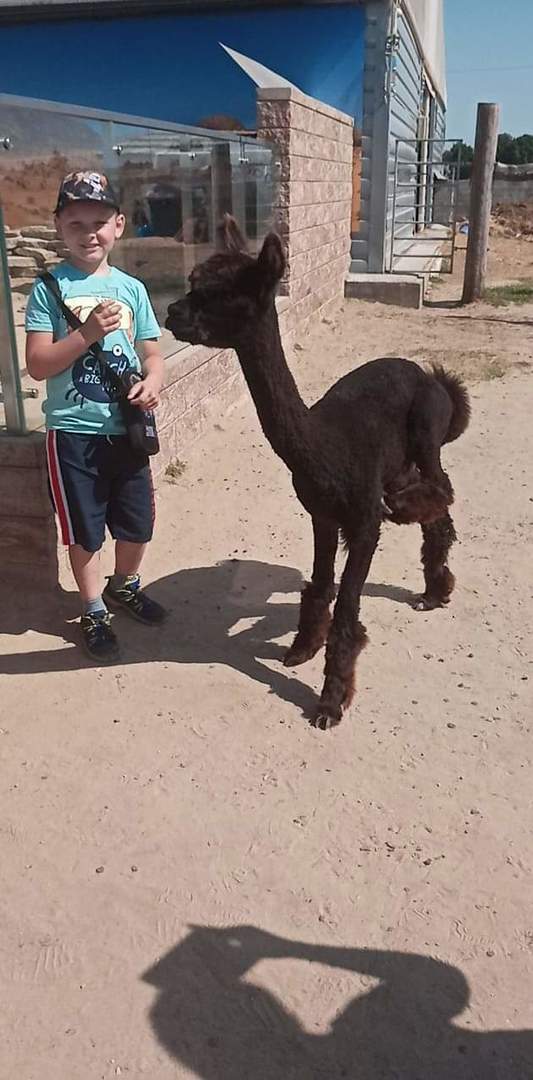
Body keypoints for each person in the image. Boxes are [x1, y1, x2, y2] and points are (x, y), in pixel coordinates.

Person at [25, 170, 166, 662]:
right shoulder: (48, 288)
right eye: (76, 223)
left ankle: (123, 586)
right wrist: (85, 333)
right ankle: (92, 609)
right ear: (59, 227)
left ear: (119, 225)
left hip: (127, 429)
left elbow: (152, 353)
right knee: (84, 530)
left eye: (99, 222)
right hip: (73, 433)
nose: (89, 234)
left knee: (138, 524)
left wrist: (153, 381)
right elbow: (38, 365)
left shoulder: (132, 289)